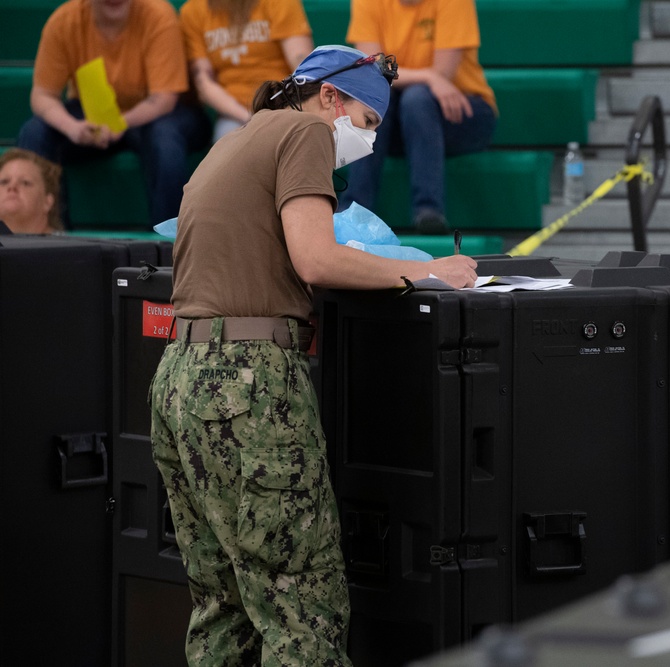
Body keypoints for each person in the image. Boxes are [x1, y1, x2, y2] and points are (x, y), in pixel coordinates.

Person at [149, 44, 477, 665]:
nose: (369, 138)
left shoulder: (235, 141)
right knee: (302, 607)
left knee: (224, 608)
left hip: (179, 381)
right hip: (248, 386)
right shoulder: (304, 131)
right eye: (369, 121)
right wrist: (425, 272)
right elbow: (315, 258)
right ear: (329, 96)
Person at [17, 0, 211, 228]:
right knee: (33, 133)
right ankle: (48, 240)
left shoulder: (158, 15)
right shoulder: (63, 22)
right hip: (92, 116)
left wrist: (119, 123)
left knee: (165, 140)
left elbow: (164, 99)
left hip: (154, 115)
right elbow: (42, 94)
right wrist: (73, 128)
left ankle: (169, 248)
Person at [340, 0, 498, 234]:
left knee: (416, 98)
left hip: (459, 110)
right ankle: (353, 211)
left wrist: (429, 79)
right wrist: (427, 77)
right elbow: (372, 71)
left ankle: (429, 211)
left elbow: (443, 73)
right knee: (377, 99)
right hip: (395, 118)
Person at [179, 0, 314, 142]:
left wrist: (296, 109)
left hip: (284, 104)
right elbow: (204, 84)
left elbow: (301, 63)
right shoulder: (193, 11)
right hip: (236, 113)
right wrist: (248, 118)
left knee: (301, 141)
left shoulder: (279, 3)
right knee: (227, 145)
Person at [0, 148, 63, 234]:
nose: (12, 186)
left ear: (47, 201)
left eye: (25, 183)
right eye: (4, 182)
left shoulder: (71, 247)